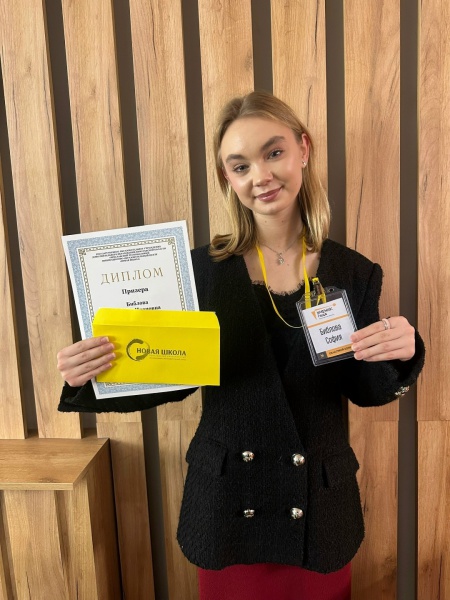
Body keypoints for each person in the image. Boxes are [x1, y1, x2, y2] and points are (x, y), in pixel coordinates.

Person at [57, 90, 425, 600]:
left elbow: (364, 387)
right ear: (226, 178)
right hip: (230, 505)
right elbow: (168, 373)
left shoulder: (354, 271)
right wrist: (93, 373)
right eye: (240, 165)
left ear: (303, 149)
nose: (261, 176)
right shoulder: (200, 271)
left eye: (273, 153)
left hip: (318, 510)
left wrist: (401, 352)